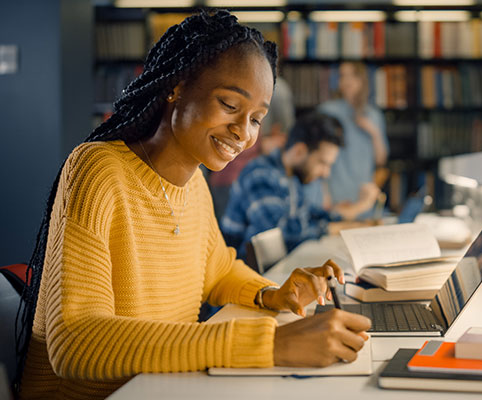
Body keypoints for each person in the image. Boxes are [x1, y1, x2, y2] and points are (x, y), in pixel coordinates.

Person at [15, 11, 370, 400]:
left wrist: (272, 294)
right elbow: (76, 343)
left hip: (161, 388)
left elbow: (216, 272)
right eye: (229, 104)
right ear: (176, 87)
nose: (243, 132)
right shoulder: (98, 171)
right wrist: (268, 344)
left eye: (256, 119)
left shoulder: (194, 182)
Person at [220, 112, 378, 259]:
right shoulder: (260, 175)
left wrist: (349, 218)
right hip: (245, 275)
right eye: (323, 163)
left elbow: (307, 215)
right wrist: (338, 226)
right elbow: (280, 234)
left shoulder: (290, 177)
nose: (326, 173)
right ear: (299, 151)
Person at [306, 62, 389, 216]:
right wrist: (323, 192)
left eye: (353, 75)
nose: (347, 81)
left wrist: (374, 133)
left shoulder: (373, 115)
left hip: (363, 197)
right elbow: (315, 156)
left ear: (362, 80)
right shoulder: (327, 111)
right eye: (343, 76)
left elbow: (381, 160)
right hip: (336, 196)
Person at [208, 76, 294, 218]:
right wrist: (263, 144)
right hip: (231, 179)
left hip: (239, 178)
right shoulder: (277, 90)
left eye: (256, 119)